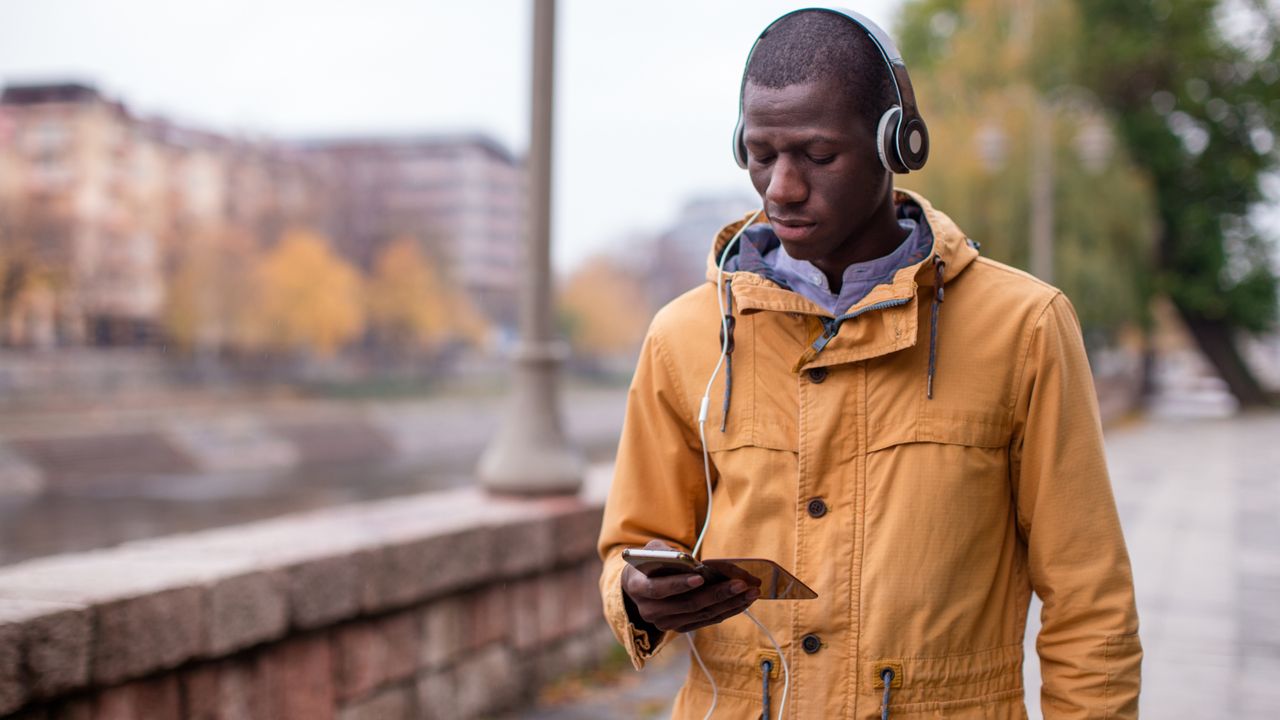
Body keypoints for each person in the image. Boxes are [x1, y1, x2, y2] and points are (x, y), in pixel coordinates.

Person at [597, 8, 1141, 720]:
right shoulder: (683, 335)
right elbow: (629, 546)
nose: (781, 187)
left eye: (817, 156)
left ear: (896, 144)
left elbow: (1088, 598)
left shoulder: (1025, 328)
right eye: (761, 154)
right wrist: (636, 594)